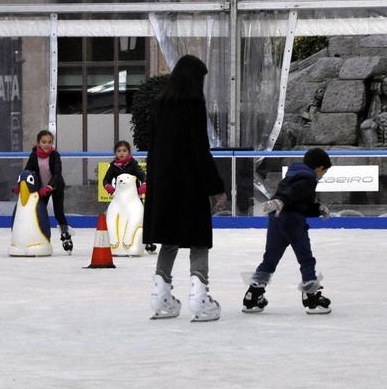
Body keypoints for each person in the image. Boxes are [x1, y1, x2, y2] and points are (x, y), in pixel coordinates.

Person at [143, 55, 227, 322]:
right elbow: (200, 149)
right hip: (190, 185)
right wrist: (216, 188)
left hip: (164, 185)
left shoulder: (159, 105)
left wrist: (155, 188)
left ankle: (160, 295)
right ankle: (200, 297)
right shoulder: (193, 105)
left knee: (170, 239)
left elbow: (153, 150)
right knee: (198, 240)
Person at [242, 148, 333, 315]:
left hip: (277, 219)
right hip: (292, 221)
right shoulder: (308, 178)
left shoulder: (294, 174)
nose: (323, 175)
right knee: (306, 259)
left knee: (269, 259)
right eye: (324, 171)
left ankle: (252, 297)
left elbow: (298, 200)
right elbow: (293, 193)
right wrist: (282, 201)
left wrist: (317, 209)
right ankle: (311, 299)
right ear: (319, 167)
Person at [23, 130, 73, 253]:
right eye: (44, 142)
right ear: (38, 142)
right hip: (41, 190)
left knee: (58, 213)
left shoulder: (55, 155)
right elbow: (27, 171)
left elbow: (57, 173)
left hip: (55, 188)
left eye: (50, 142)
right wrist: (21, 183)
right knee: (39, 213)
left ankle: (65, 235)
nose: (47, 145)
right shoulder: (34, 155)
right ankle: (39, 235)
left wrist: (49, 187)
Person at [101, 140, 155, 253]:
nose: (121, 153)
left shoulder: (133, 164)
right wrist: (107, 186)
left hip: (134, 197)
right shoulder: (113, 166)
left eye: (124, 151)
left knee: (141, 217)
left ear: (129, 152)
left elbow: (142, 176)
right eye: (119, 151)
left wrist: (144, 185)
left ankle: (148, 240)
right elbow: (106, 179)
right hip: (120, 198)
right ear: (115, 153)